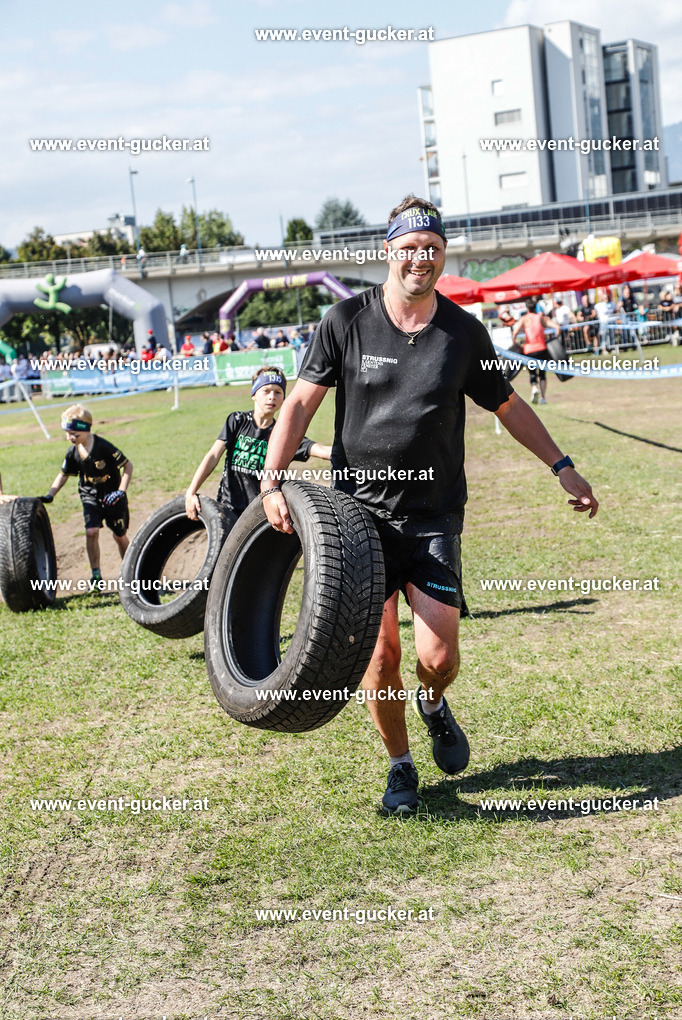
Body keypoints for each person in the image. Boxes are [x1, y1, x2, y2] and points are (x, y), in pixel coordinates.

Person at [261, 194, 598, 815]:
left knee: (437, 659)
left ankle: (434, 702)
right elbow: (300, 404)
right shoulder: (344, 320)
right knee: (379, 655)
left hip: (434, 516)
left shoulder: (464, 332)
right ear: (388, 250)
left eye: (433, 248)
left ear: (443, 255)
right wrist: (271, 481)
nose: (421, 257)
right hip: (357, 518)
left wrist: (562, 466)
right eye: (411, 247)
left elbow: (508, 405)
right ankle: (400, 765)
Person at [185, 366, 331, 519]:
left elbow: (320, 450)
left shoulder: (284, 435)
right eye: (266, 391)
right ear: (254, 394)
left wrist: (344, 452)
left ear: (283, 399)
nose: (272, 397)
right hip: (229, 506)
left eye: (278, 392)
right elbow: (213, 455)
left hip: (261, 515)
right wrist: (191, 491)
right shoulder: (237, 421)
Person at [41, 405, 133, 586]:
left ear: (86, 429)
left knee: (120, 536)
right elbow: (64, 474)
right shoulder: (73, 452)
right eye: (67, 433)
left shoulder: (104, 447)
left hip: (112, 496)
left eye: (74, 434)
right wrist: (50, 495)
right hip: (89, 496)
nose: (70, 438)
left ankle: (131, 571)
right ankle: (96, 576)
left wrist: (121, 491)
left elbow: (128, 466)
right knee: (91, 532)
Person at [512, 297, 560, 405]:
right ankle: (543, 398)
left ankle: (534, 388)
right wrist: (554, 341)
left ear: (527, 308)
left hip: (529, 350)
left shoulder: (524, 319)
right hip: (542, 348)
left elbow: (515, 333)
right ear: (536, 307)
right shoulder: (542, 317)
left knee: (532, 373)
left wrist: (515, 345)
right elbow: (557, 328)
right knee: (542, 374)